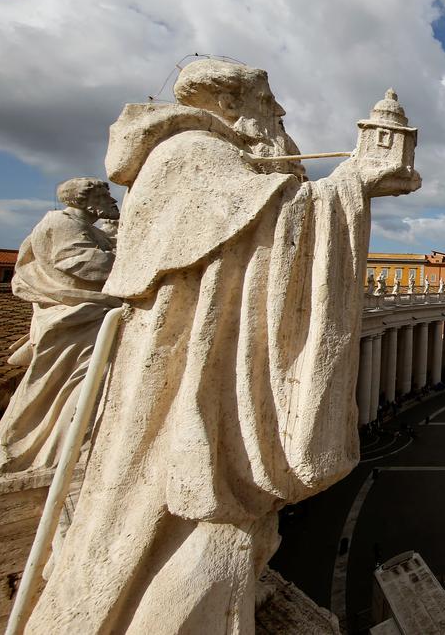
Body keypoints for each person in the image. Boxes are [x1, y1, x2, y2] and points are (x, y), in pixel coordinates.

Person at [27, 60, 420, 632]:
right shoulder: (190, 153)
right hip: (182, 365)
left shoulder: (212, 158)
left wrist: (350, 185)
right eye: (270, 102)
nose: (280, 114)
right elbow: (275, 225)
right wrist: (352, 182)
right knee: (170, 529)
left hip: (193, 356)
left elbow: (266, 221)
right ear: (231, 102)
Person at [0, 177, 120, 473]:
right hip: (76, 318)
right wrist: (130, 260)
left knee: (91, 382)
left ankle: (68, 445)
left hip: (90, 314)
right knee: (72, 383)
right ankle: (40, 450)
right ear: (84, 200)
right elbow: (79, 263)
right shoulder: (60, 222)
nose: (114, 201)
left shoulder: (87, 228)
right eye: (107, 196)